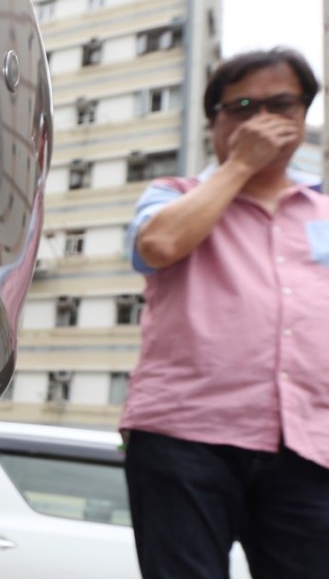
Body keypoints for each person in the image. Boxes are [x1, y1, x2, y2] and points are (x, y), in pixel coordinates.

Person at [121, 47, 329, 579]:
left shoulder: (324, 210)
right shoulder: (174, 193)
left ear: (304, 113)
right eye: (239, 106)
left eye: (279, 104)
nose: (260, 119)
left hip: (311, 443)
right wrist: (240, 166)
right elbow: (159, 245)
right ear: (215, 121)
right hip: (184, 433)